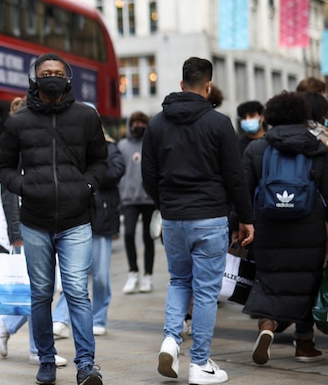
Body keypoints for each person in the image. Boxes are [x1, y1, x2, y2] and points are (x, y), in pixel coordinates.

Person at [0, 53, 107, 385]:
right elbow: (2, 167)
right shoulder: (19, 122)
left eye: (58, 73)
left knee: (76, 291)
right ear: (34, 79)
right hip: (35, 221)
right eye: (46, 73)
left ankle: (86, 364)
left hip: (76, 220)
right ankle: (45, 359)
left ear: (67, 79)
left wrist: (87, 186)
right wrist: (25, 187)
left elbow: (100, 161)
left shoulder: (86, 117)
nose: (52, 77)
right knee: (41, 294)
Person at [141, 57, 254, 385]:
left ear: (180, 84)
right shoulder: (219, 123)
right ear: (208, 86)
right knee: (205, 291)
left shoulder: (157, 124)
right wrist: (245, 218)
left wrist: (165, 204)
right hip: (210, 216)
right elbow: (235, 176)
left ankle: (170, 341)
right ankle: (200, 363)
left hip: (174, 217)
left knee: (179, 281)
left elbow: (149, 174)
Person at [242, 91, 327, 365]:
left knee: (269, 278)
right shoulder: (318, 148)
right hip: (309, 226)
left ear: (270, 116)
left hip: (268, 225)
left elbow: (243, 192)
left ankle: (267, 325)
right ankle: (304, 344)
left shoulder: (256, 148)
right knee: (306, 282)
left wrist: (239, 224)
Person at [0, 96, 68, 368]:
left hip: (48, 223)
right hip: (28, 226)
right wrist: (16, 231)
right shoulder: (18, 144)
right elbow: (8, 192)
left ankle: (7, 324)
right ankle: (37, 348)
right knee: (41, 289)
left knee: (45, 288)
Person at [52, 104, 125, 337]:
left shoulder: (110, 148)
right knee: (74, 273)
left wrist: (90, 172)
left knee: (101, 275)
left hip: (101, 220)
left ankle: (99, 317)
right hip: (75, 217)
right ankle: (61, 318)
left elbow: (115, 171)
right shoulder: (67, 146)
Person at [116, 111, 156, 294]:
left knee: (149, 238)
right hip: (128, 198)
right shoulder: (123, 145)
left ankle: (148, 275)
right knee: (129, 234)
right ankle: (133, 272)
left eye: (142, 122)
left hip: (149, 199)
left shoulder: (152, 144)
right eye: (135, 122)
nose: (138, 126)